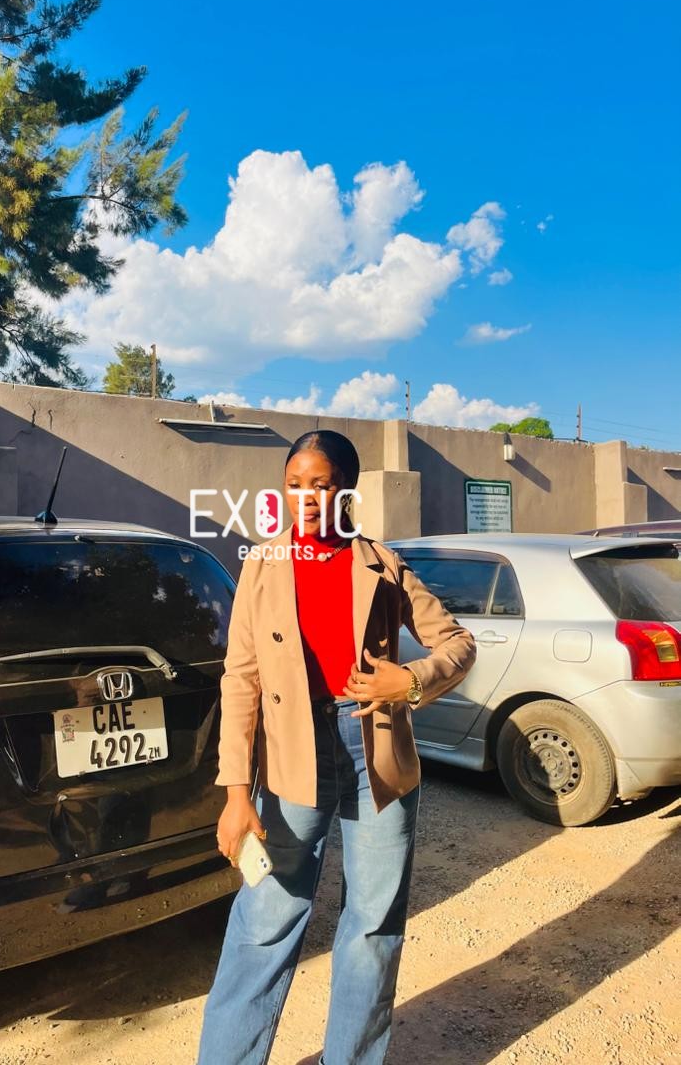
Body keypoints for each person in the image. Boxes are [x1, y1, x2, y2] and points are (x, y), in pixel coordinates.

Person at [196, 430, 477, 1065]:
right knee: (265, 919)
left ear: (345, 491)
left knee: (373, 924)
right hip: (290, 753)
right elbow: (240, 680)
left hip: (373, 746)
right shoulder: (262, 565)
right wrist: (236, 793)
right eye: (294, 485)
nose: (306, 498)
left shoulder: (382, 564)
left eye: (320, 485)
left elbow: (457, 642)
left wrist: (411, 681)